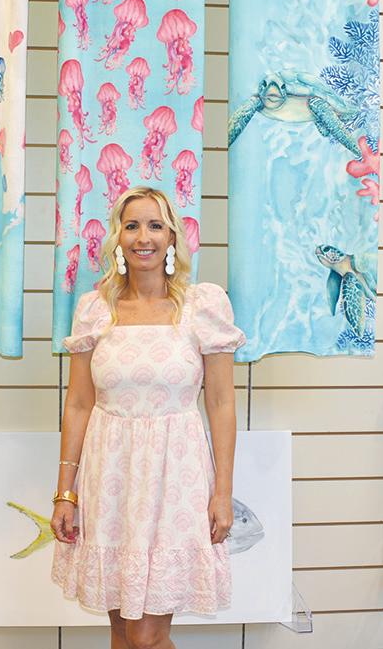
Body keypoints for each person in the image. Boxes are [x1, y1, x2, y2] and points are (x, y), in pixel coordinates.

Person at [50, 186, 245, 649]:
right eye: (132, 226)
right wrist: (65, 493)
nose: (143, 237)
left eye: (155, 226)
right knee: (121, 632)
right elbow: (78, 404)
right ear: (117, 236)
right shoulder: (95, 309)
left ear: (172, 237)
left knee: (146, 636)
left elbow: (221, 404)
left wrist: (222, 492)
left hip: (176, 480)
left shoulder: (203, 306)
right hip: (110, 479)